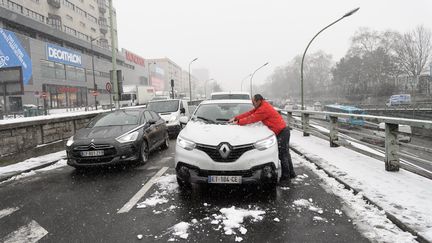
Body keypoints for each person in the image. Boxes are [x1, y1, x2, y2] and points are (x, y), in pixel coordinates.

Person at [229, 94, 296, 183]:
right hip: (283, 131)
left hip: (282, 132)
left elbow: (252, 118)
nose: (252, 104)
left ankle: (286, 178)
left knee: (282, 155)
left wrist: (238, 122)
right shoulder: (262, 106)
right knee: (286, 154)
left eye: (253, 102)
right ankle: (291, 173)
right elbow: (250, 113)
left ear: (258, 101)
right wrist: (236, 118)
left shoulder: (264, 109)